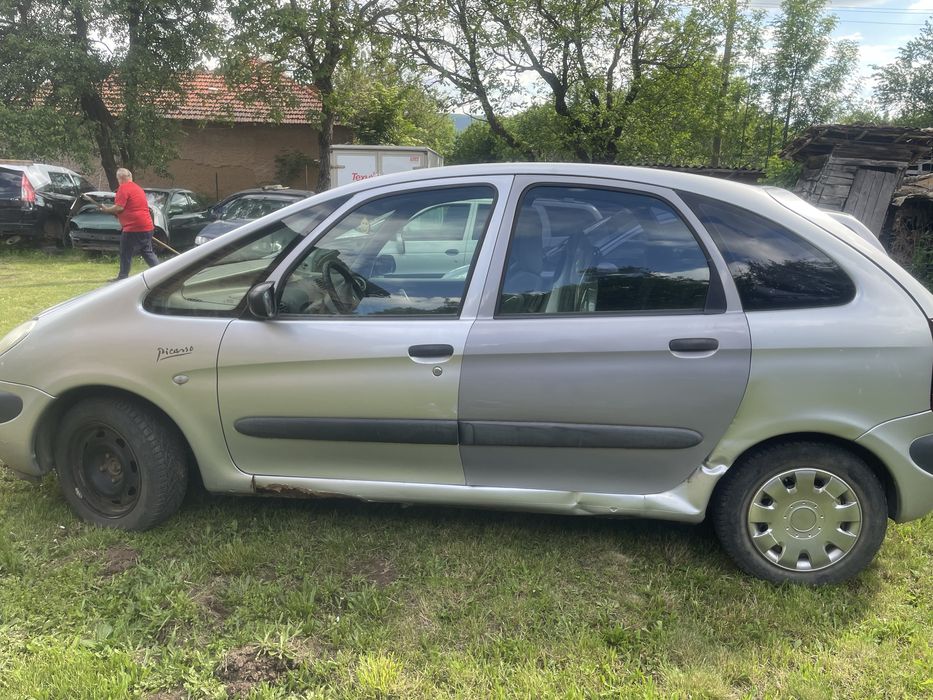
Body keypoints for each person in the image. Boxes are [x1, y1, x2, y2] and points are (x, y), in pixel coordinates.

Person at [97, 168, 160, 281]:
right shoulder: (138, 188)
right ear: (130, 177)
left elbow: (119, 207)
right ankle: (163, 273)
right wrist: (117, 214)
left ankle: (122, 277)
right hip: (147, 226)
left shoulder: (123, 188)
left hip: (133, 227)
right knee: (147, 252)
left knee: (125, 251)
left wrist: (107, 210)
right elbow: (132, 208)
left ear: (120, 178)